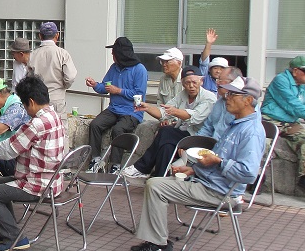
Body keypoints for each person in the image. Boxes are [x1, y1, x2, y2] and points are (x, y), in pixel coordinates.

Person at [129, 77, 266, 251]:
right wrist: (192, 170)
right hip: (208, 182)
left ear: (248, 100)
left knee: (155, 186)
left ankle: (158, 246)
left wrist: (218, 162)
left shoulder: (251, 131)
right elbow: (216, 158)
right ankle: (155, 242)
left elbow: (248, 173)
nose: (227, 97)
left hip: (219, 192)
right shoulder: (237, 123)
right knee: (155, 183)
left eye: (233, 94)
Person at [0, 76, 66, 251]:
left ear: (31, 102)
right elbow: (21, 146)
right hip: (51, 180)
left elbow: (10, 147)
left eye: (25, 105)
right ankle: (6, 231)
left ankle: (14, 238)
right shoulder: (53, 115)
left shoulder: (37, 124)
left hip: (37, 185)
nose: (24, 110)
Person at [123, 68, 216, 179]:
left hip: (197, 136)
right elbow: (163, 112)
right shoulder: (182, 95)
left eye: (194, 82)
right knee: (167, 146)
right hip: (182, 133)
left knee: (166, 131)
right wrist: (147, 107)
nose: (191, 86)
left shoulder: (209, 98)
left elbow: (194, 117)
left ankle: (142, 168)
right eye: (187, 83)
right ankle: (159, 178)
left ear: (201, 82)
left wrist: (175, 111)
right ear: (183, 83)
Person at [259, 55, 305, 193]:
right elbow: (293, 105)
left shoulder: (301, 86)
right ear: (295, 71)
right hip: (270, 120)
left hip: (290, 123)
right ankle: (258, 177)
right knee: (265, 145)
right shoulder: (280, 80)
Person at [85, 37, 148, 168]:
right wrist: (95, 85)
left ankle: (115, 165)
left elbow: (139, 95)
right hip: (114, 109)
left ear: (121, 54)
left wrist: (118, 91)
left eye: (114, 53)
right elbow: (105, 87)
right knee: (95, 124)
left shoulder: (139, 69)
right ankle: (95, 159)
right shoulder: (114, 68)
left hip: (132, 111)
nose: (112, 56)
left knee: (118, 129)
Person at [28, 22, 77, 115]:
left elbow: (29, 79)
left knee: (40, 123)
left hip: (38, 100)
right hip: (56, 97)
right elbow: (70, 77)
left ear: (40, 36)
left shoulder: (33, 55)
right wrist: (63, 86)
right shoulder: (62, 53)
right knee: (58, 123)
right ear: (57, 35)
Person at [200, 66, 243, 140]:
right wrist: (196, 143)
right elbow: (207, 128)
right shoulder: (219, 102)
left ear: (233, 82)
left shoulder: (243, 106)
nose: (217, 83)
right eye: (217, 80)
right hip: (211, 143)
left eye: (220, 80)